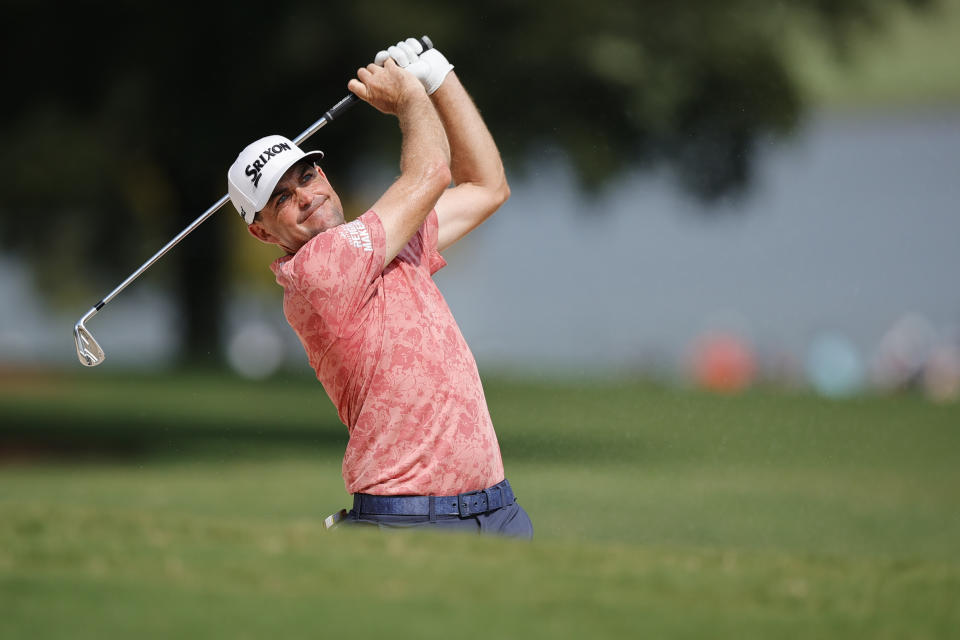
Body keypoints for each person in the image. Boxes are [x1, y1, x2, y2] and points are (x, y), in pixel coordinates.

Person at [226, 38, 533, 539]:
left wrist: (439, 75)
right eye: (281, 198)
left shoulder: (386, 241)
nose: (306, 196)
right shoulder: (316, 269)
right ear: (262, 232)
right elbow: (431, 172)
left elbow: (486, 187)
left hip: (498, 509)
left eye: (307, 174)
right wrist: (410, 97)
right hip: (408, 518)